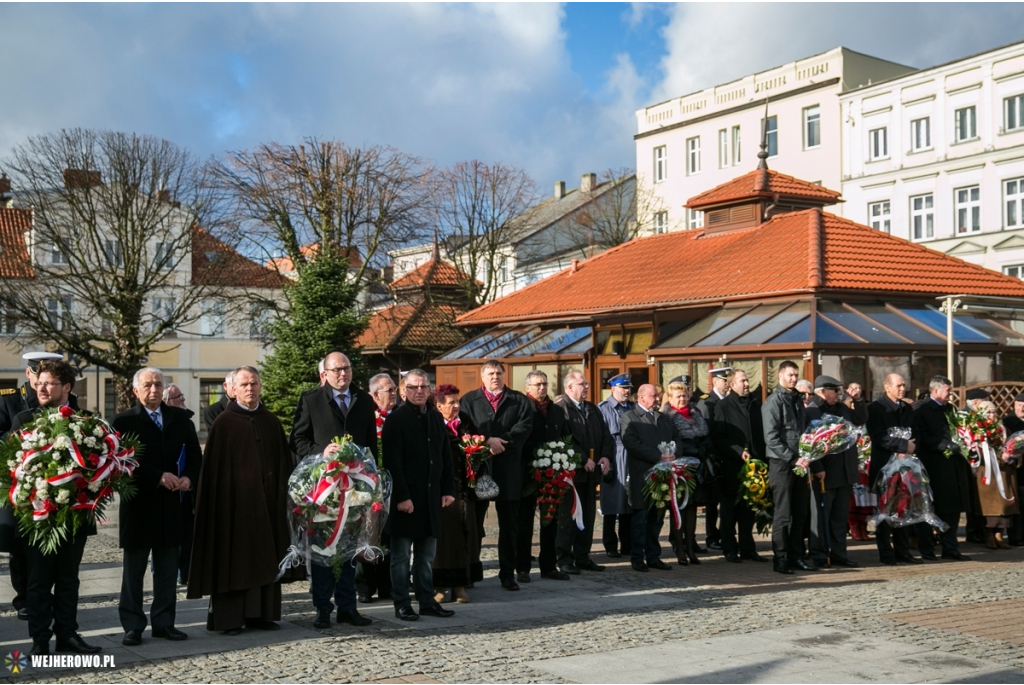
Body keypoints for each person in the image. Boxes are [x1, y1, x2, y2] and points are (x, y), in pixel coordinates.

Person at [187, 366, 303, 634]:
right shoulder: (223, 424)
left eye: (254, 383)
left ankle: (262, 616)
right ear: (233, 389)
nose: (250, 388)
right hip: (233, 508)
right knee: (233, 558)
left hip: (268, 505)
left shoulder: (271, 421)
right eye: (244, 384)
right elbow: (213, 475)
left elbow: (283, 465)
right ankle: (230, 620)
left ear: (260, 386)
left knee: (266, 554)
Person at [13, 360, 101, 656]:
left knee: (68, 579)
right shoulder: (23, 419)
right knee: (38, 580)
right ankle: (40, 639)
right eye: (39, 383)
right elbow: (11, 468)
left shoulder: (86, 422)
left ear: (66, 387)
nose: (41, 387)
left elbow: (98, 468)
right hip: (37, 515)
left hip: (74, 514)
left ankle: (68, 635)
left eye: (49, 383)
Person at [112, 368, 201, 646]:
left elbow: (195, 457)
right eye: (147, 385)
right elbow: (121, 462)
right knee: (134, 571)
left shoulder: (180, 419)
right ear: (136, 390)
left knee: (167, 569)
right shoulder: (123, 421)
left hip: (172, 505)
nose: (153, 390)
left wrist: (189, 478)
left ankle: (164, 623)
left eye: (158, 384)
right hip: (140, 506)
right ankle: (133, 625)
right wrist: (157, 476)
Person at [289, 351, 376, 628]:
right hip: (323, 491)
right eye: (337, 370)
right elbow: (297, 440)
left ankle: (347, 608)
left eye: (347, 369)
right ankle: (323, 608)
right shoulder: (311, 400)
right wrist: (321, 451)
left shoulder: (363, 400)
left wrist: (371, 480)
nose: (343, 374)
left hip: (354, 489)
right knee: (323, 551)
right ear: (325, 373)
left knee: (349, 549)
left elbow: (372, 445)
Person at [383, 369, 456, 621]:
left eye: (424, 387)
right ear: (404, 391)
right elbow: (392, 461)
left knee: (426, 557)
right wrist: (402, 496)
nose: (419, 391)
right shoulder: (396, 418)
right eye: (413, 387)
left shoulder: (436, 418)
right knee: (401, 556)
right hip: (406, 499)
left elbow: (445, 456)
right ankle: (402, 603)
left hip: (431, 498)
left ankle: (426, 601)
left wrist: (448, 488)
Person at [0, 351, 65, 622]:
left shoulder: (62, 398)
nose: (43, 382)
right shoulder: (9, 399)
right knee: (19, 545)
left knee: (50, 544)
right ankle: (24, 598)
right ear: (29, 374)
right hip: (20, 483)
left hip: (54, 483)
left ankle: (45, 596)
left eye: (49, 376)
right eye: (38, 375)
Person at [460, 360, 534, 591]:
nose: (495, 376)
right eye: (490, 373)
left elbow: (525, 427)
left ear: (504, 375)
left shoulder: (518, 400)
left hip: (509, 469)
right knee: (475, 525)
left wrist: (503, 443)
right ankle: (471, 571)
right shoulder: (469, 400)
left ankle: (507, 574)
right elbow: (462, 428)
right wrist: (485, 442)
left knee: (509, 525)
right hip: (479, 468)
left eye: (499, 372)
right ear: (482, 377)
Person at [554, 371, 613, 575]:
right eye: (582, 384)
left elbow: (606, 435)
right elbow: (562, 440)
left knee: (587, 517)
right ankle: (564, 558)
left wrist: (605, 456)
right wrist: (581, 459)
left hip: (591, 474)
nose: (586, 387)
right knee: (569, 517)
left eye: (587, 383)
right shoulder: (561, 409)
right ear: (569, 388)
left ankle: (583, 556)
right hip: (571, 475)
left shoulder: (592, 409)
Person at [805, 375, 866, 569]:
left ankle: (839, 553)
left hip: (845, 470)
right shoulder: (813, 410)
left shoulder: (841, 408)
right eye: (835, 390)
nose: (839, 394)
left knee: (840, 517)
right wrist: (817, 468)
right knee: (822, 516)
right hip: (826, 472)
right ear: (821, 391)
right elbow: (809, 442)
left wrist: (858, 401)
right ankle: (820, 554)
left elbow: (860, 419)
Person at [763, 360, 817, 575]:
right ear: (780, 376)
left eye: (796, 375)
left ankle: (796, 556)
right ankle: (781, 558)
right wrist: (793, 458)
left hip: (800, 462)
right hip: (782, 464)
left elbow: (802, 431)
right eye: (790, 375)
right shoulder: (773, 402)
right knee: (783, 515)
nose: (794, 379)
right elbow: (772, 438)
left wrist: (809, 452)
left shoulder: (796, 399)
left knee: (800, 513)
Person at [912, 375, 972, 561]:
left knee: (951, 510)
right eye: (948, 390)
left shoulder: (951, 409)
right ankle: (927, 550)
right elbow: (919, 437)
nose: (951, 394)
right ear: (935, 390)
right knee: (929, 510)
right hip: (932, 467)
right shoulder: (921, 409)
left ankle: (950, 547)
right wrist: (942, 445)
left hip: (953, 467)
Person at [517, 371, 569, 582]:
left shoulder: (556, 411)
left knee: (550, 519)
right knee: (524, 520)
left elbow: (565, 437)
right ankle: (522, 567)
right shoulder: (522, 408)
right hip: (527, 472)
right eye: (537, 384)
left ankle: (548, 565)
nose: (542, 388)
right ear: (528, 387)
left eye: (544, 384)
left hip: (551, 474)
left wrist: (561, 457)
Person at [866, 373, 924, 565]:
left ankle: (903, 550)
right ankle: (886, 553)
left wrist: (911, 446)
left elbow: (915, 432)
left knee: (903, 508)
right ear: (887, 387)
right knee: (885, 510)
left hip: (905, 466)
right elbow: (878, 436)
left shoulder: (906, 408)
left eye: (903, 385)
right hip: (885, 467)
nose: (902, 389)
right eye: (898, 385)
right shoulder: (876, 408)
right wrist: (901, 445)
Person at [713, 369, 768, 563]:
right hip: (732, 466)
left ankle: (747, 548)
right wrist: (737, 451)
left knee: (748, 510)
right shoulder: (723, 406)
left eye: (747, 380)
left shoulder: (754, 403)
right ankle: (729, 548)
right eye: (742, 381)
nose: (747, 384)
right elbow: (718, 437)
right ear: (732, 384)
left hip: (754, 465)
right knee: (729, 510)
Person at [621, 384, 675, 573]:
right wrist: (657, 456)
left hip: (662, 475)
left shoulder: (663, 418)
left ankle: (653, 556)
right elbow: (631, 443)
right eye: (654, 396)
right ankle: (637, 558)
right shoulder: (629, 417)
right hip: (641, 476)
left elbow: (677, 438)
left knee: (657, 518)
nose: (658, 399)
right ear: (641, 397)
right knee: (640, 518)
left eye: (658, 396)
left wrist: (674, 454)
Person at [355, 372, 398, 604]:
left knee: (389, 534)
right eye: (388, 390)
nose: (393, 393)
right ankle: (364, 585)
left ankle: (386, 585)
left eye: (394, 389)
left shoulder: (399, 416)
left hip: (394, 484)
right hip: (368, 483)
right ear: (373, 395)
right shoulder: (367, 417)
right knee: (368, 533)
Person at [433, 384, 477, 602]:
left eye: (458, 401)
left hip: (463, 489)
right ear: (439, 406)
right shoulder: (433, 423)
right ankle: (439, 587)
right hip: (439, 488)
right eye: (451, 403)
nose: (457, 406)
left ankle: (461, 585)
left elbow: (478, 451)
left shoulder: (466, 423)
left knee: (463, 536)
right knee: (441, 539)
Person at [662, 378, 712, 566]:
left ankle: (691, 547)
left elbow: (706, 434)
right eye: (678, 396)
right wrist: (690, 451)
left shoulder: (695, 412)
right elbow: (672, 442)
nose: (682, 399)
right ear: (671, 398)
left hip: (698, 465)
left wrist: (705, 447)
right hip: (679, 465)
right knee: (679, 507)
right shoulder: (667, 416)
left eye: (685, 395)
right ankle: (680, 548)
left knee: (692, 507)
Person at [972, 400, 1019, 549]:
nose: (991, 415)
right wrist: (998, 457)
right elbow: (976, 451)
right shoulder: (977, 430)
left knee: (1005, 505)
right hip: (987, 474)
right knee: (989, 507)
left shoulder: (1004, 429)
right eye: (988, 412)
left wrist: (1012, 456)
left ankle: (1000, 534)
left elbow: (1014, 445)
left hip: (1005, 473)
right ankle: (989, 535)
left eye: (993, 412)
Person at [598, 373, 633, 559]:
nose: (626, 391)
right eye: (623, 388)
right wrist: (607, 464)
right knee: (611, 503)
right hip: (613, 456)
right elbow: (602, 438)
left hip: (632, 457)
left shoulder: (633, 408)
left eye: (628, 388)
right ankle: (610, 545)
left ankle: (627, 543)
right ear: (613, 388)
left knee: (629, 503)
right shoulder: (603, 409)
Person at [697, 367, 731, 552]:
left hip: (728, 457)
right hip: (714, 457)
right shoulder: (707, 402)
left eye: (728, 380)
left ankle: (724, 533)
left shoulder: (729, 401)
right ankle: (711, 536)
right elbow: (706, 430)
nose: (726, 384)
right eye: (724, 380)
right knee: (712, 501)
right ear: (715, 382)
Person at [1001, 393, 1024, 547]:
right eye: (1019, 405)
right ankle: (1016, 536)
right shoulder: (1008, 422)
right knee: (1018, 503)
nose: (1022, 408)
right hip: (1016, 469)